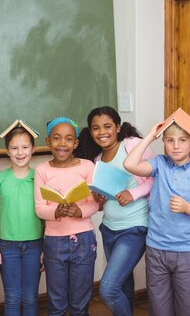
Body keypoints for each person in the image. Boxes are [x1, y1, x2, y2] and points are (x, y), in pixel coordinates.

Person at [124, 119, 190, 316]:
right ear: (163, 142)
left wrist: (188, 208)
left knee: (188, 310)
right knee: (159, 309)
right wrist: (151, 135)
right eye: (169, 140)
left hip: (187, 252)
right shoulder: (160, 164)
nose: (176, 146)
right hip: (156, 249)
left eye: (182, 140)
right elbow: (130, 164)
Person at [75, 106, 154, 316]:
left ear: (118, 127)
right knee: (123, 287)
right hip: (108, 229)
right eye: (96, 128)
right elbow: (103, 201)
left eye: (108, 126)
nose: (102, 132)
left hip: (134, 228)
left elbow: (157, 177)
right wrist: (98, 200)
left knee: (108, 288)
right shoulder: (97, 160)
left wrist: (133, 193)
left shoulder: (132, 145)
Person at [34, 117, 99, 316]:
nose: (62, 143)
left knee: (80, 303)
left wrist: (79, 211)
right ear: (47, 141)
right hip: (54, 242)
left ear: (76, 143)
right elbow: (39, 208)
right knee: (57, 302)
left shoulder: (87, 166)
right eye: (56, 138)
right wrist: (57, 211)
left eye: (69, 139)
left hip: (84, 240)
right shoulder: (42, 170)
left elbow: (95, 202)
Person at [0, 122, 44, 316]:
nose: (20, 152)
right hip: (7, 245)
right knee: (12, 297)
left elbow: (46, 214)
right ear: (7, 151)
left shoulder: (39, 177)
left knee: (31, 296)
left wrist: (45, 246)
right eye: (14, 148)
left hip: (35, 245)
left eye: (25, 147)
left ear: (33, 150)